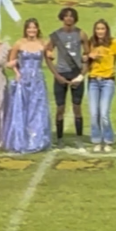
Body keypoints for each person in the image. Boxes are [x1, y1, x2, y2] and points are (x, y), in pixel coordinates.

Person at [2, 19, 52, 154]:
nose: (32, 31)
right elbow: (10, 61)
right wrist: (17, 73)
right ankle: (20, 140)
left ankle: (37, 140)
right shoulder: (19, 43)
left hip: (37, 81)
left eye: (34, 28)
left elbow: (50, 58)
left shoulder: (43, 43)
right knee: (22, 109)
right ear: (25, 29)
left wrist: (51, 55)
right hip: (23, 80)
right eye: (29, 28)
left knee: (37, 110)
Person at [44, 8, 89, 149]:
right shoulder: (55, 35)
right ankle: (60, 139)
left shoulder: (81, 34)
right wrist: (56, 74)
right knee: (60, 108)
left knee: (77, 107)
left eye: (71, 16)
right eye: (66, 16)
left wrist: (82, 75)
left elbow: (88, 55)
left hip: (76, 74)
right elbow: (47, 54)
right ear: (62, 18)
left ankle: (79, 139)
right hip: (61, 74)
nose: (68, 18)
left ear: (75, 18)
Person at [86, 19, 116, 152]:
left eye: (102, 29)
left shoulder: (114, 43)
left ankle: (108, 140)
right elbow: (83, 59)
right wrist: (89, 56)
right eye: (98, 29)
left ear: (106, 30)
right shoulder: (91, 43)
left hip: (108, 81)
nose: (100, 31)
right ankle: (96, 141)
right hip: (93, 81)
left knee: (104, 113)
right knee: (94, 113)